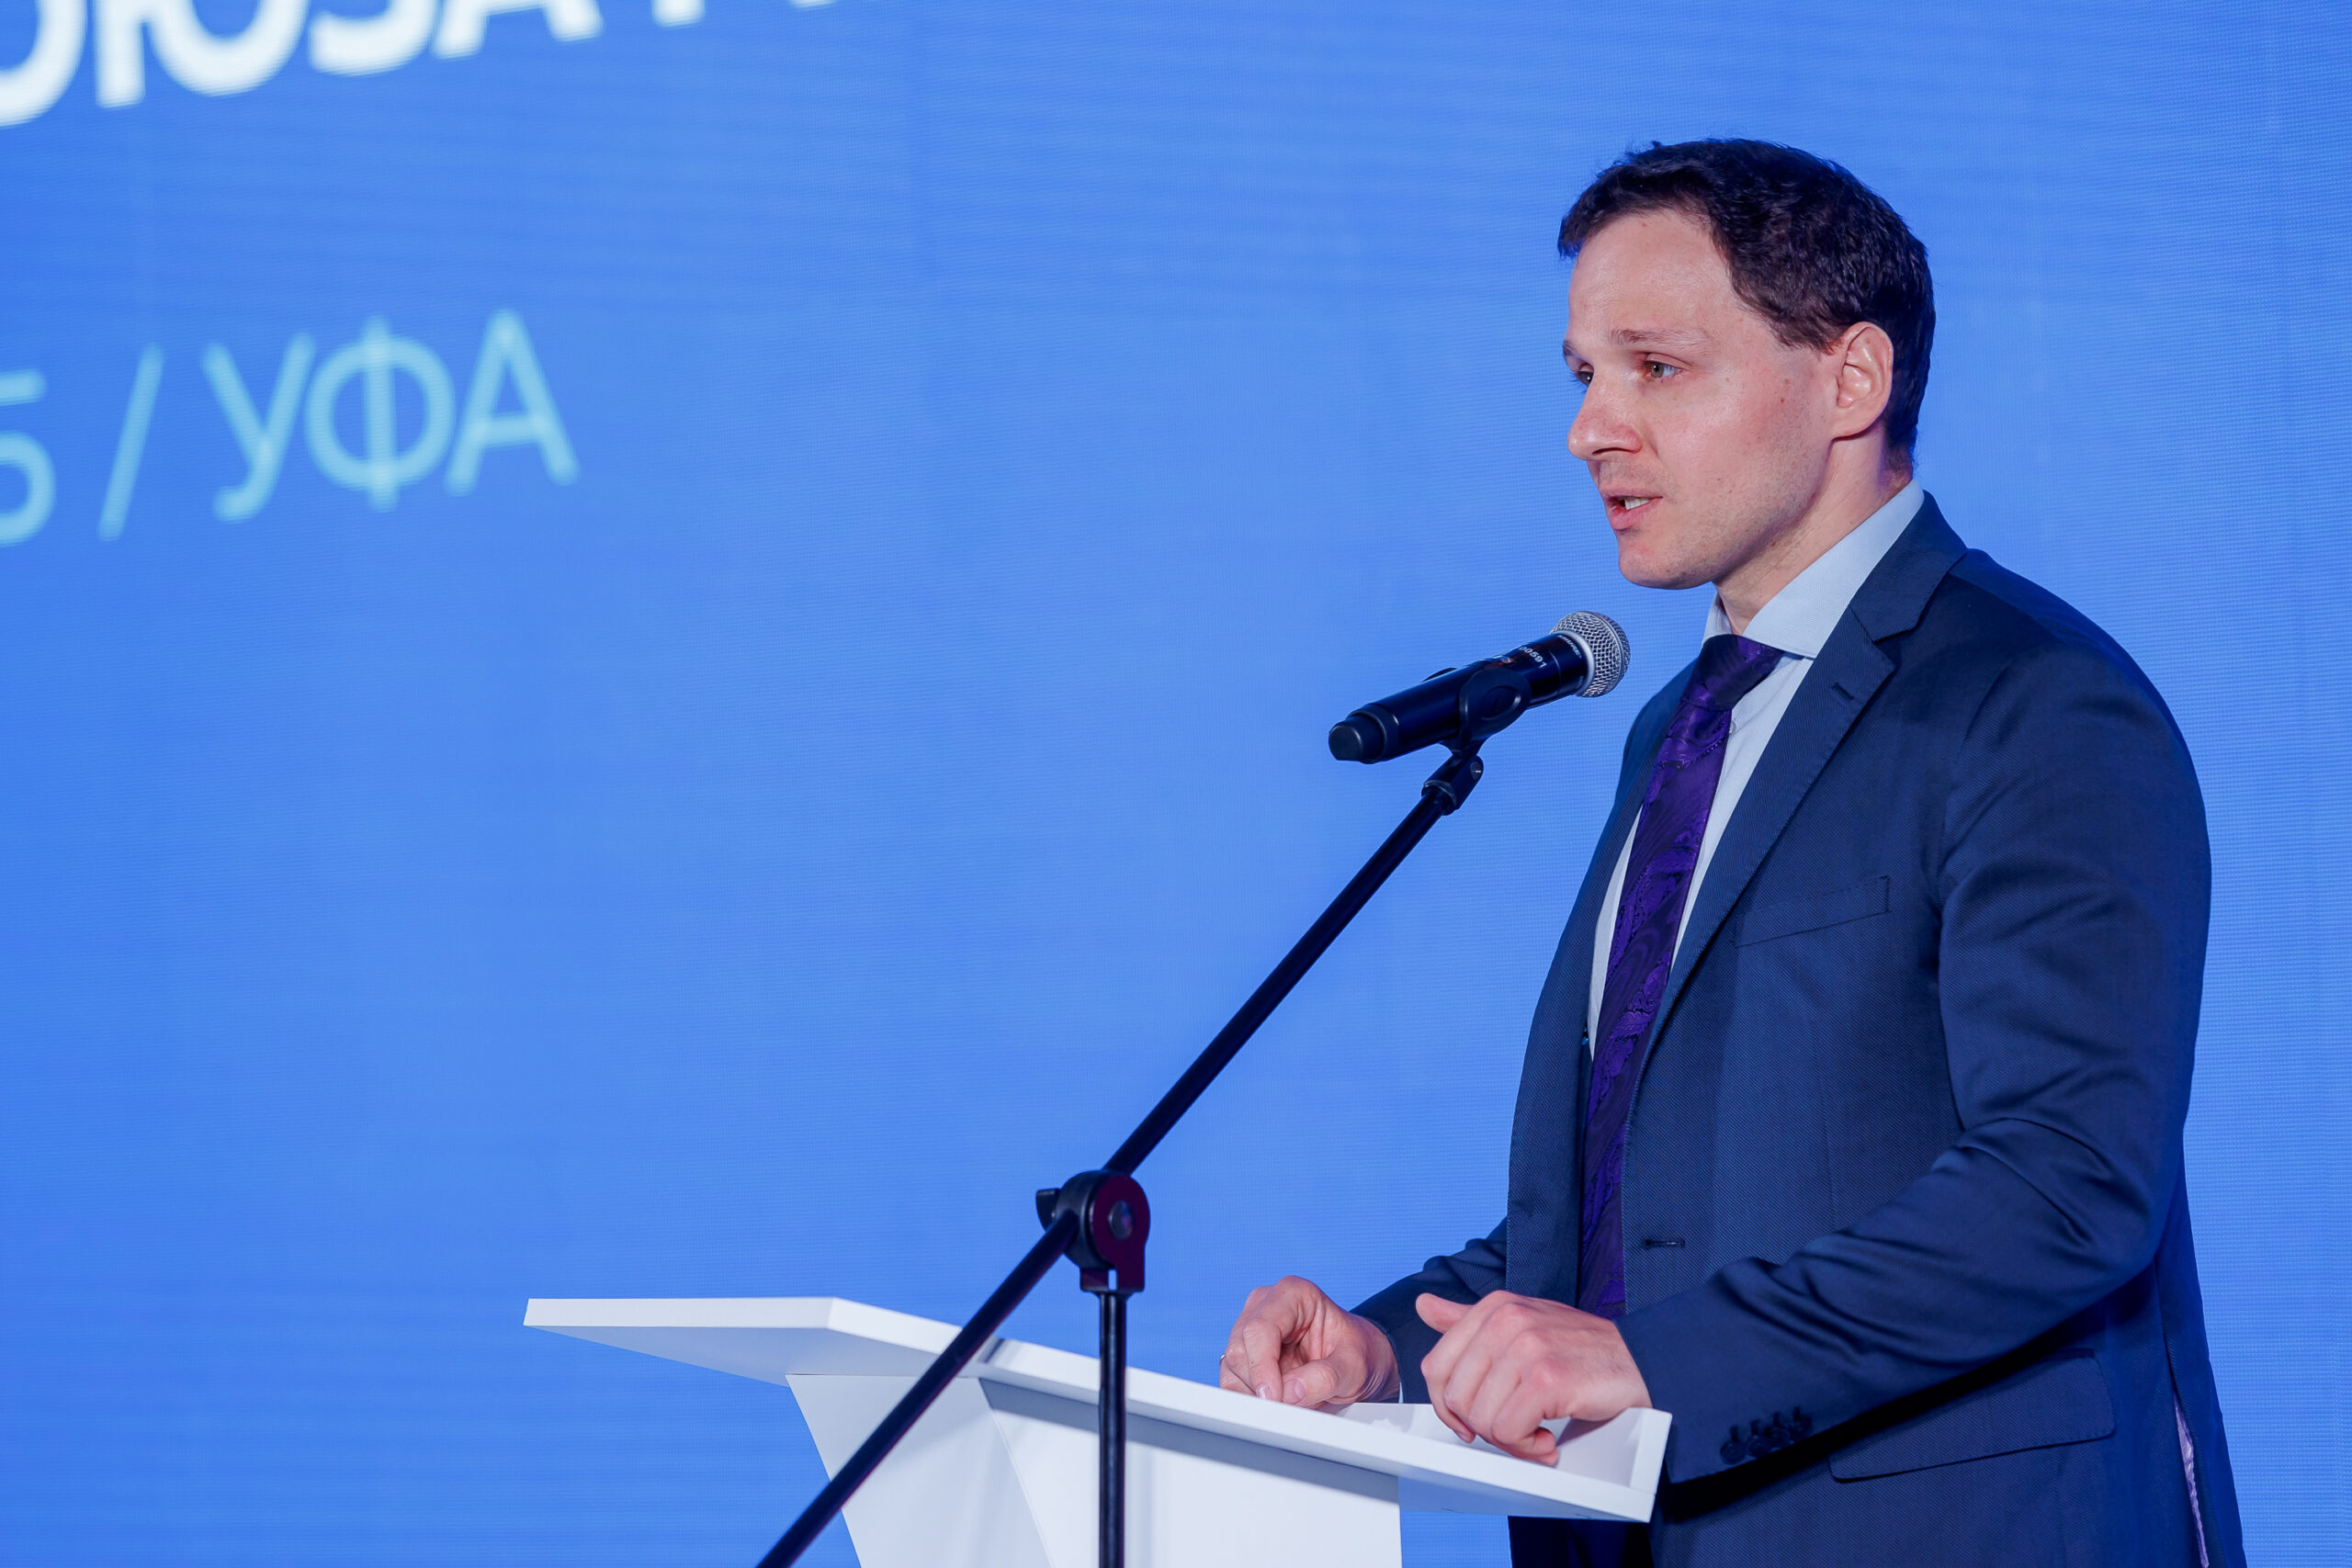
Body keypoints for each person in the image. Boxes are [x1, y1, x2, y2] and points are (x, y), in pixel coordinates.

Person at [1217, 141, 2244, 1568]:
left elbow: (2068, 1182)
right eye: (1584, 375)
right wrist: (1391, 1350)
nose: (1592, 430)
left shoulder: (2036, 703)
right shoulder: (1681, 727)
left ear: (1852, 380)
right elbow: (1647, 1213)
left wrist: (1655, 1367)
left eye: (1657, 368)